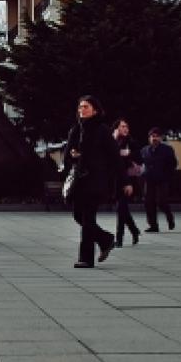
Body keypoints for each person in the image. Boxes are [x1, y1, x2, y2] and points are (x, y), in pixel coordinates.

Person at [65, 95, 116, 268]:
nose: (82, 110)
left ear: (95, 110)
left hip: (95, 181)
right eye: (80, 107)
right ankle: (105, 239)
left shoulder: (102, 130)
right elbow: (67, 155)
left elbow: (113, 157)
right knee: (79, 216)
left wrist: (124, 182)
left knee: (87, 218)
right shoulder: (76, 130)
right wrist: (72, 156)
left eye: (86, 107)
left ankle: (86, 258)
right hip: (79, 180)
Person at [111, 119, 142, 247]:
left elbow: (139, 158)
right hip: (115, 180)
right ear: (116, 128)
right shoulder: (111, 141)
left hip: (128, 180)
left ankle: (119, 239)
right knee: (123, 210)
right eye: (123, 126)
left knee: (120, 208)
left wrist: (129, 154)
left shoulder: (131, 142)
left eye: (127, 126)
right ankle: (134, 231)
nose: (125, 129)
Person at [140, 128, 177, 232]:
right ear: (149, 138)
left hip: (162, 179)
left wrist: (167, 175)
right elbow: (141, 163)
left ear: (160, 138)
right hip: (149, 179)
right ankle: (153, 225)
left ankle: (169, 217)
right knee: (148, 202)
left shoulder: (167, 149)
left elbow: (173, 164)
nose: (154, 138)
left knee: (162, 202)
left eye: (156, 136)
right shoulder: (144, 150)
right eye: (152, 136)